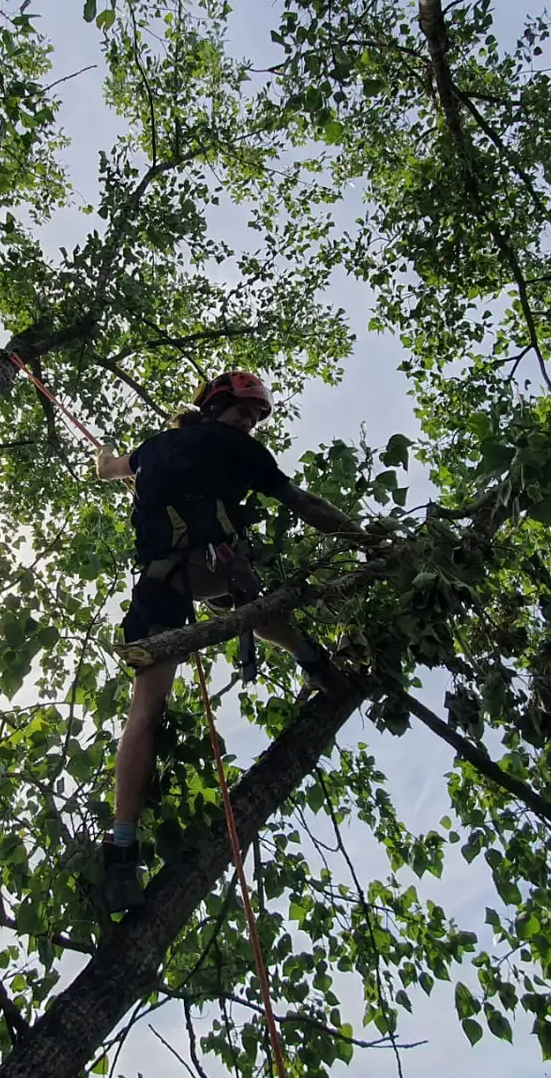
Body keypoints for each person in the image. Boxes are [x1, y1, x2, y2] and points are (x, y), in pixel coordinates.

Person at [95, 371, 374, 912]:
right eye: (244, 412)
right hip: (195, 574)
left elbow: (110, 470)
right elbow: (304, 504)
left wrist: (109, 459)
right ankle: (122, 853)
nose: (249, 423)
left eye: (254, 417)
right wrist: (364, 538)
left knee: (243, 615)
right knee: (148, 708)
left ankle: (311, 657)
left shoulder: (155, 448)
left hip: (177, 577)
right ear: (218, 406)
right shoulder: (238, 449)